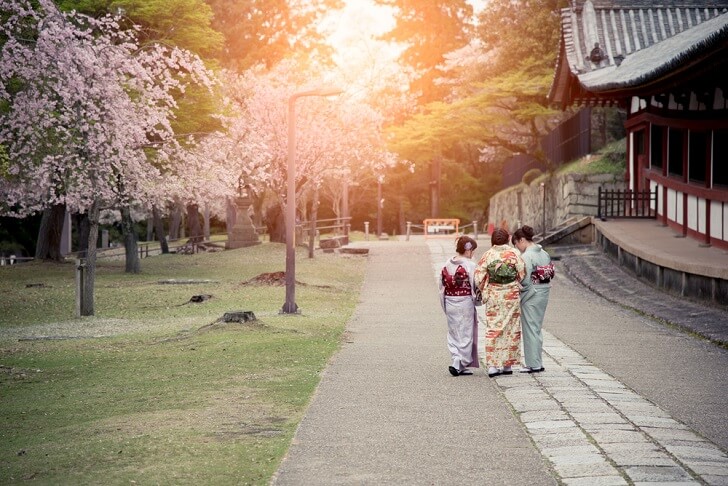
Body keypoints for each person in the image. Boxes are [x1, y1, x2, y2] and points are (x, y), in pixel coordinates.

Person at [474, 228, 526, 378]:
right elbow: (522, 272)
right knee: (511, 328)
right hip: (511, 296)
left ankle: (493, 365)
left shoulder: (488, 254)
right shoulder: (514, 253)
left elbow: (478, 277)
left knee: (493, 328)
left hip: (494, 296)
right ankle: (507, 365)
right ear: (507, 239)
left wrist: (487, 287)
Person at [512, 225, 555, 373]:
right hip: (544, 290)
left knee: (530, 327)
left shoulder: (526, 256)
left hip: (532, 294)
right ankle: (537, 361)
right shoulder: (544, 253)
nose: (518, 248)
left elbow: (524, 279)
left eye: (517, 244)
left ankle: (534, 363)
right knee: (536, 327)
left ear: (522, 240)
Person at [438, 235, 481, 376]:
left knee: (453, 332)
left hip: (450, 300)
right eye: (472, 250)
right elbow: (476, 285)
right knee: (466, 332)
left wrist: (444, 302)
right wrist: (479, 299)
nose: (472, 253)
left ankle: (457, 360)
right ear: (468, 250)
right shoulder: (470, 265)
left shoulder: (447, 264)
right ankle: (459, 363)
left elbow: (441, 285)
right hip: (464, 302)